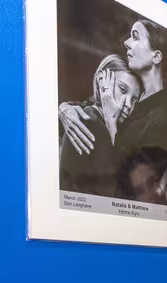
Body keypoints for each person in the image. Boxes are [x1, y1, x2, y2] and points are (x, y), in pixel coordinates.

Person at [59, 18, 167, 203]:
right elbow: (96, 105)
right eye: (123, 91)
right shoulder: (137, 98)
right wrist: (66, 108)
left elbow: (131, 188)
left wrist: (110, 122)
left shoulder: (162, 121)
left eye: (135, 37)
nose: (126, 42)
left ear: (156, 56)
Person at [59, 55, 141, 197]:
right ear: (102, 80)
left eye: (134, 99)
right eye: (122, 90)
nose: (128, 104)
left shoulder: (119, 132)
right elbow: (111, 194)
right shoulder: (91, 125)